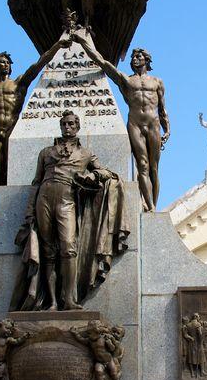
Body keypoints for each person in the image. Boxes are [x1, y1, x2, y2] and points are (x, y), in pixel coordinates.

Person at [12, 109, 126, 311]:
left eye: (71, 124)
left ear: (78, 127)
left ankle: (70, 299)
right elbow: (36, 183)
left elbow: (105, 172)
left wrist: (94, 176)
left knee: (68, 248)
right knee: (48, 252)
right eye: (64, 124)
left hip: (67, 200)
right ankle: (52, 302)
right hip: (44, 199)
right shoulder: (46, 152)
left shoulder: (86, 154)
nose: (67, 127)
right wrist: (30, 210)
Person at [73, 29, 170, 211]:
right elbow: (102, 63)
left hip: (153, 123)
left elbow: (163, 109)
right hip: (135, 123)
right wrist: (83, 41)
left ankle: (154, 206)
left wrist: (168, 129)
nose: (134, 59)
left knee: (154, 168)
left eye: (138, 56)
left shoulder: (157, 82)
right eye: (133, 57)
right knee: (142, 165)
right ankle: (148, 205)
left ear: (146, 60)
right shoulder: (126, 79)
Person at [0, 38, 69, 190]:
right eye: (2, 62)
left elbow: (38, 65)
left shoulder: (18, 82)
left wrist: (56, 46)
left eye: (7, 63)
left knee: (11, 165)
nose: (5, 65)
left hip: (12, 125)